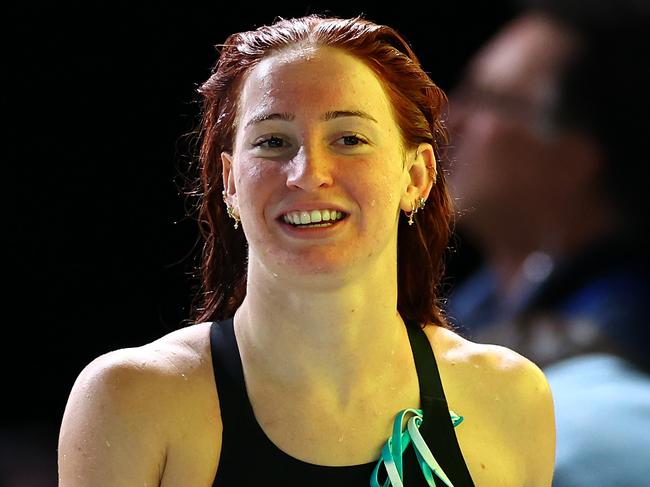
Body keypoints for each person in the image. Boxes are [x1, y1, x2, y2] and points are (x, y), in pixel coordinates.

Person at [57, 15, 555, 486]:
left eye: (349, 138)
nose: (308, 173)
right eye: (273, 141)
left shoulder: (509, 398)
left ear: (418, 175)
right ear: (230, 184)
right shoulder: (130, 400)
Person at [445, 0, 650, 484]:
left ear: (577, 155)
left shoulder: (623, 338)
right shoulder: (478, 301)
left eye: (491, 100)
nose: (451, 119)